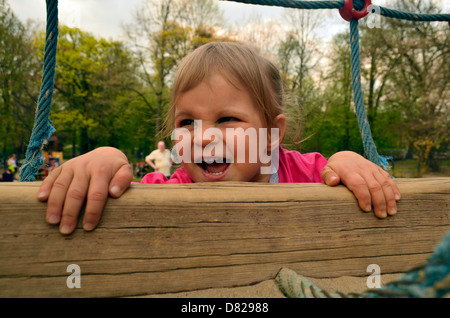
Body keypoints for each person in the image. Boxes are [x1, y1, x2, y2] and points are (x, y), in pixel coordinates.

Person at [37, 42, 401, 235]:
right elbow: (128, 189)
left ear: (273, 134)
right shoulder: (172, 186)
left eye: (226, 118)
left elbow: (332, 172)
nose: (204, 137)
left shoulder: (303, 172)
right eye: (187, 122)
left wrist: (346, 159)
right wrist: (105, 158)